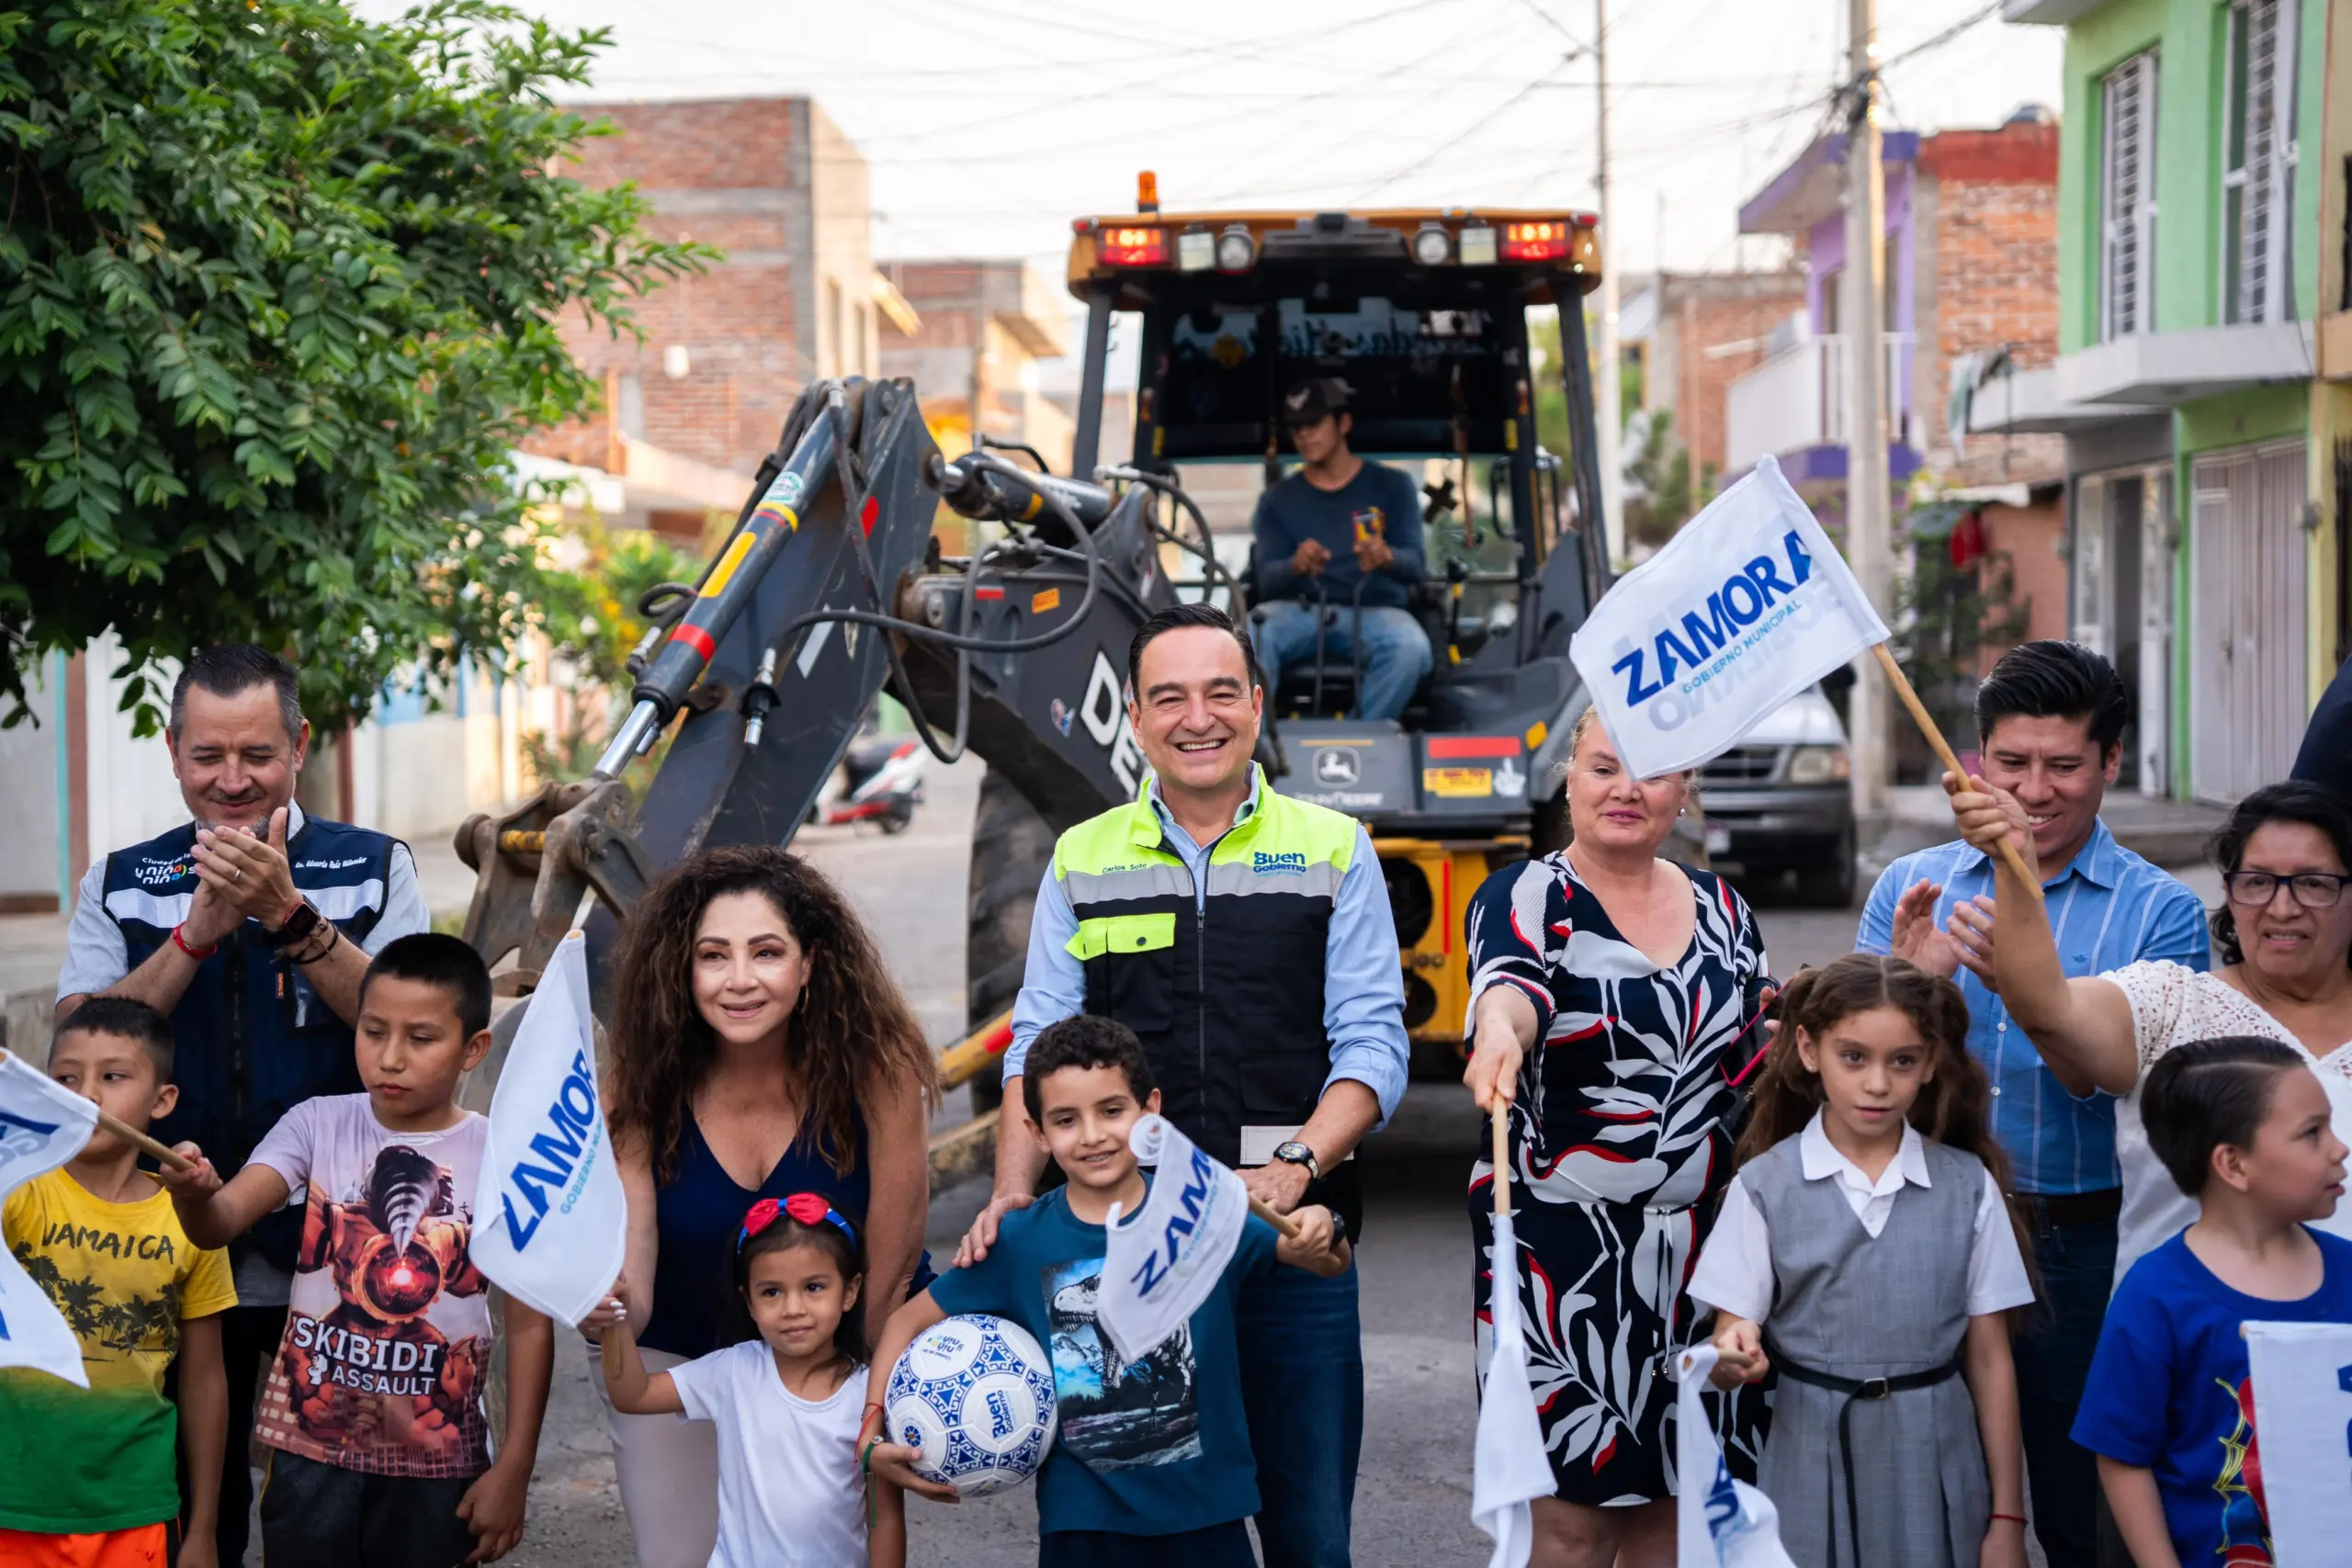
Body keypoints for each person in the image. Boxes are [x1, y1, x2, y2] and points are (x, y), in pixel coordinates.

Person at [960, 602, 1409, 1568]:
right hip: (1112, 1260)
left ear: (1256, 704)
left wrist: (1293, 1169)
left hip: (1287, 1250)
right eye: (1168, 697)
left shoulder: (1335, 849)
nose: (1194, 717)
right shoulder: (1082, 858)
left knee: (1308, 1541)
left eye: (1218, 692)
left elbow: (1371, 1046)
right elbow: (1035, 1045)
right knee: (1127, 1538)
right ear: (1134, 714)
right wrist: (1008, 1191)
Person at [53, 643, 429, 1568]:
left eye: (256, 755)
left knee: (331, 1511)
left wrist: (292, 920)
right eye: (208, 756)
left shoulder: (374, 868)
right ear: (175, 751)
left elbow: (417, 1036)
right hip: (159, 1244)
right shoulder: (122, 880)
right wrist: (195, 935)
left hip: (338, 1251)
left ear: (298, 746)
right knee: (181, 1511)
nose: (232, 780)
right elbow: (77, 1053)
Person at [1858, 638, 2207, 1568]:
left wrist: (2026, 984)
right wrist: (1909, 987)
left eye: (2063, 766)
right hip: (1927, 1224)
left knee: (2083, 1506)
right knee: (1927, 1503)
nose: (2034, 791)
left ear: (2110, 764)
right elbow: (1846, 1092)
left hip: (2085, 1245)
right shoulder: (1911, 889)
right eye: (2010, 764)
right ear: (1972, 761)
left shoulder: (2162, 913)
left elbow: (2123, 1082)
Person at [1461, 705, 1772, 1568]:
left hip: (1705, 1253)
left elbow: (1764, 1060)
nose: (1626, 788)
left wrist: (1901, 977)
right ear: (1569, 776)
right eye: (1604, 766)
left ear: (1686, 791)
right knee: (1570, 1521)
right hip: (1564, 1261)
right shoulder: (1528, 893)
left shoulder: (1728, 910)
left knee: (1682, 1513)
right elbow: (1509, 986)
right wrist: (1500, 1033)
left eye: (1653, 771)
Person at [867, 1015, 1348, 1568]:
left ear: (1150, 1112)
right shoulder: (1020, 1241)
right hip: (1084, 1528)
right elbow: (905, 1323)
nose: (1092, 1135)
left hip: (1208, 1517)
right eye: (1066, 1119)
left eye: (1112, 1111)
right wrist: (871, 1427)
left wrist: (1323, 1225)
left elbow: (1329, 1261)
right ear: (1038, 1133)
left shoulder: (1203, 1212)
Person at [158, 933, 551, 1567]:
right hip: (309, 1455)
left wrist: (515, 1467)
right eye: (373, 1032)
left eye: (421, 1039)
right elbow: (220, 1222)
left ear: (473, 1047)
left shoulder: (502, 1153)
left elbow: (531, 1323)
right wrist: (195, 1193)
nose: (390, 1057)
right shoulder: (316, 1123)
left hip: (439, 1459)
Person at [596, 846, 937, 1568]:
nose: (740, 979)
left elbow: (897, 1246)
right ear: (682, 970)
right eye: (714, 955)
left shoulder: (879, 1064)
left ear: (809, 964)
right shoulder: (640, 1081)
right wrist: (613, 1307)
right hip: (684, 1357)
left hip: (832, 1356)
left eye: (767, 952)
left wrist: (864, 1399)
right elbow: (638, 1266)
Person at [1693, 955, 2034, 1568]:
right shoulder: (1764, 1185)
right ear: (1807, 1047)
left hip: (1938, 1455)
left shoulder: (1968, 1186)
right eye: (1854, 1057)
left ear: (1930, 1062)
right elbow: (1729, 1332)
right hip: (1807, 1456)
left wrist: (2008, 1517)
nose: (1877, 1083)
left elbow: (1990, 1358)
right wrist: (1731, 1352)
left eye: (1901, 1060)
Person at [1945, 777, 2352, 1282]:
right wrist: (2015, 860)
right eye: (2257, 881)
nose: (2282, 907)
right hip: (2187, 1348)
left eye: (2314, 883)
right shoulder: (2172, 1001)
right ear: (2228, 891)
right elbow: (2050, 1008)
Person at [2071, 1037, 2352, 1568]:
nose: (2339, 1148)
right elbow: (2122, 1458)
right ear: (2234, 1165)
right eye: (2312, 1134)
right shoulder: (2155, 1298)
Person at [0, 998, 234, 1568]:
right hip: (13, 1507)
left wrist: (203, 1528)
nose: (87, 1095)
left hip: (136, 1507)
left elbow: (204, 1381)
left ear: (163, 1101)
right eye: (65, 1078)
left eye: (112, 1076)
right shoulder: (16, 1194)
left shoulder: (191, 1216)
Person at [596, 1193, 902, 1568]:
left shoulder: (869, 1396)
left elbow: (883, 1518)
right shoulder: (732, 1372)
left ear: (850, 1291)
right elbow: (635, 1395)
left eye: (814, 1287)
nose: (793, 1309)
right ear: (750, 1302)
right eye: (771, 1292)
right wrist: (615, 1324)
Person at [1246, 377, 1432, 722]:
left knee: (1411, 648)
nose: (1304, 434)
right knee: (1253, 635)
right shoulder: (1276, 500)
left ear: (1343, 424)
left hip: (1377, 612)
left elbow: (1416, 565)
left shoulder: (1393, 486)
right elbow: (1267, 579)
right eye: (1297, 427)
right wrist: (1296, 565)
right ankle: (1261, 744)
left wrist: (1386, 556)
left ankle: (1357, 737)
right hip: (1298, 612)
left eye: (1314, 423)